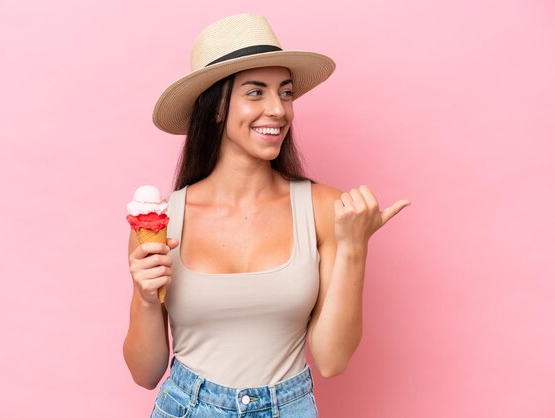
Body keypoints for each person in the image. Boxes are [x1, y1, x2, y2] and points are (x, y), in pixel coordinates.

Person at [123, 13, 411, 418]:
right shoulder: (162, 221)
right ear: (217, 107)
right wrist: (145, 297)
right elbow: (145, 372)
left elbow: (332, 360)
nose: (278, 110)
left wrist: (354, 248)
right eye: (256, 93)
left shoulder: (324, 208)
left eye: (286, 93)